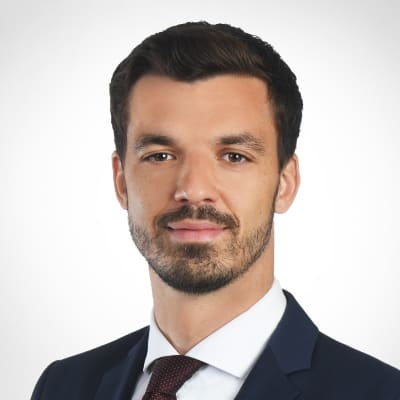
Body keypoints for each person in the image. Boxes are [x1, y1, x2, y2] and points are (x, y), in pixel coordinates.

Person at [31, 21, 400, 400]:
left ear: (285, 184)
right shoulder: (63, 386)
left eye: (234, 156)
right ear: (121, 181)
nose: (193, 190)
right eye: (160, 156)